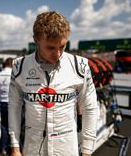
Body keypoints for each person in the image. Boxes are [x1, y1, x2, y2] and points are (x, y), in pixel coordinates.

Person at [8, 11, 98, 156]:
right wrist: (14, 146)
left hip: (66, 148)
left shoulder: (80, 66)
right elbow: (14, 106)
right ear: (36, 40)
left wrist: (87, 150)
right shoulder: (19, 66)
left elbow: (90, 108)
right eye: (50, 47)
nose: (57, 54)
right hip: (32, 147)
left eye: (62, 46)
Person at [0, 58, 13, 155]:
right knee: (14, 126)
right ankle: (14, 147)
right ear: (12, 65)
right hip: (13, 103)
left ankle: (3, 148)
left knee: (4, 125)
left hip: (3, 102)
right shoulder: (15, 75)